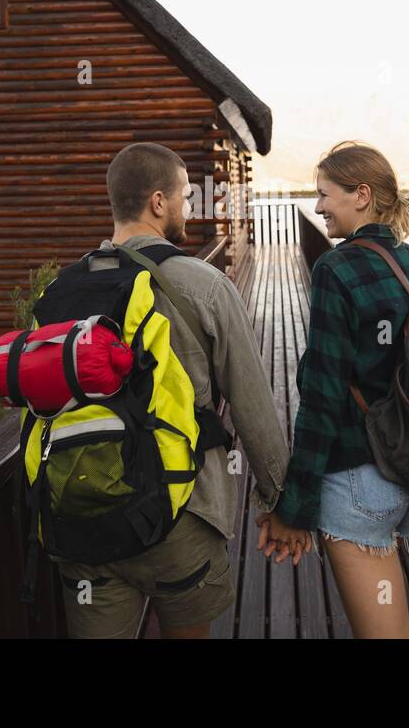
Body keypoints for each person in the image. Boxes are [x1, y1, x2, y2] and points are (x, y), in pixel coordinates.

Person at [50, 142, 291, 638]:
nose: (188, 207)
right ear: (158, 203)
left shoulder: (62, 289)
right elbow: (252, 403)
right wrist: (279, 501)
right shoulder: (201, 283)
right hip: (180, 510)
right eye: (184, 195)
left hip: (82, 515)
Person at [258, 140, 409, 638]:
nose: (318, 207)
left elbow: (322, 400)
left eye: (325, 195)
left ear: (361, 194)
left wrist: (294, 509)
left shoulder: (336, 269)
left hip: (360, 481)